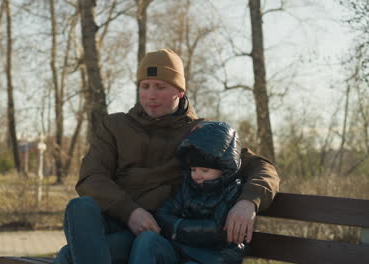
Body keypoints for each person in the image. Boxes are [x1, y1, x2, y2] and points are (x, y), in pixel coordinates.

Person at [54, 49, 279, 264]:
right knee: (80, 207)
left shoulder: (201, 133)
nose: (151, 95)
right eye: (145, 86)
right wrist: (130, 212)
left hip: (155, 235)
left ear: (180, 92)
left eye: (160, 87)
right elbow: (91, 177)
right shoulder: (115, 126)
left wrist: (248, 201)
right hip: (114, 222)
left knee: (68, 257)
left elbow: (261, 167)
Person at [129, 121, 248, 264]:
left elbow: (216, 230)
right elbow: (163, 212)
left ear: (224, 169)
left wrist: (176, 227)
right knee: (147, 239)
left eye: (205, 170)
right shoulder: (188, 187)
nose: (197, 175)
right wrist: (178, 228)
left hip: (214, 257)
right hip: (181, 250)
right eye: (193, 169)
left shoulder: (233, 191)